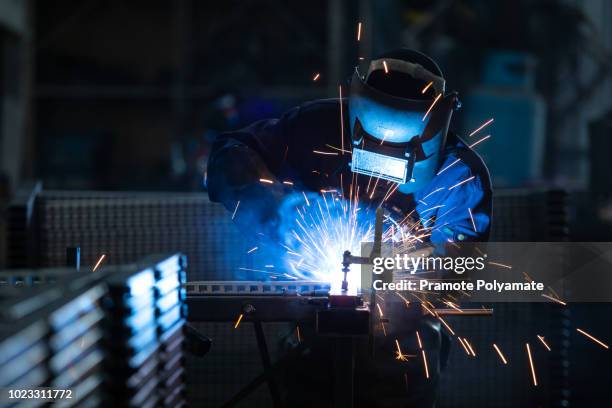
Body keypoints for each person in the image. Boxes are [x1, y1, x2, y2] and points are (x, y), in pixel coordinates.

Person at [207, 48, 492, 407]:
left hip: (404, 365)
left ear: (433, 130)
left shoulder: (459, 178)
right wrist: (279, 207)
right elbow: (229, 154)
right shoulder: (317, 127)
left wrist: (405, 277)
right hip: (307, 351)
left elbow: (457, 274)